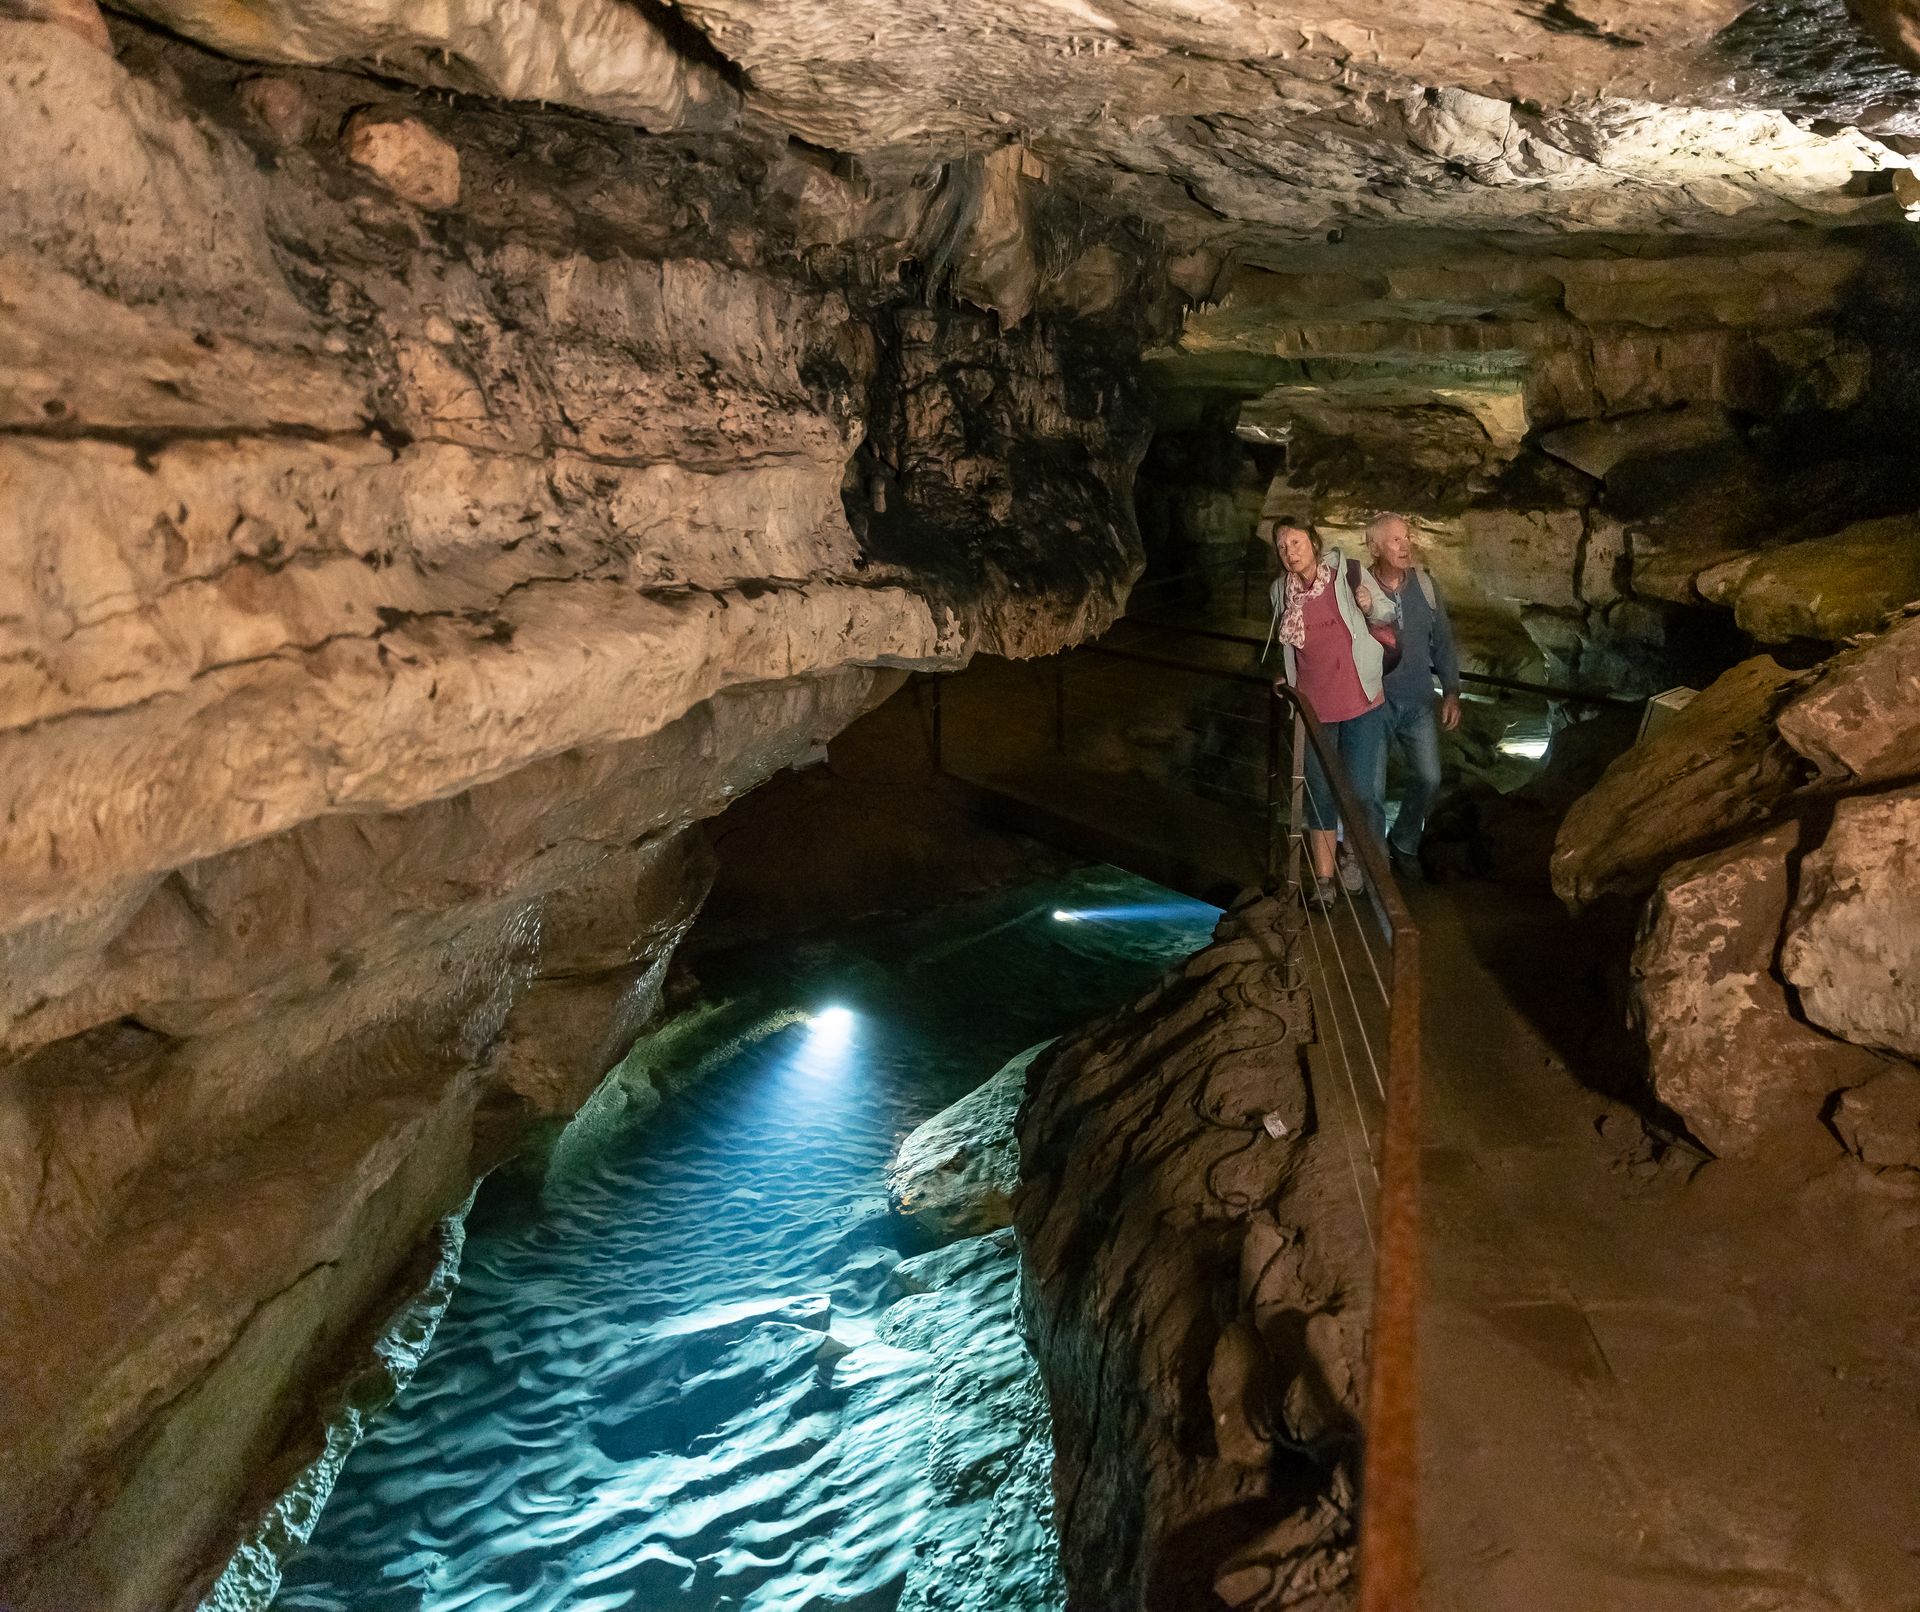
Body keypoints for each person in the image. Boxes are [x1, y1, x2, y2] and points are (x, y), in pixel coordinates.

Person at [1263, 518, 1390, 908]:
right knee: (1319, 793)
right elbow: (1290, 644)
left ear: (1314, 542)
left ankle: (1352, 854)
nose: (1290, 551)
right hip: (1314, 709)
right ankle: (1323, 880)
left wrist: (1371, 604)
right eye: (1283, 546)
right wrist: (1286, 675)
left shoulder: (1347, 575)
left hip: (1360, 703)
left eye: (1296, 541)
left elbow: (1386, 611)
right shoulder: (1279, 591)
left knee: (1360, 791)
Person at [1364, 513, 1461, 884]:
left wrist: (1451, 690)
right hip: (1374, 705)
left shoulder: (1426, 586)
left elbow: (1444, 643)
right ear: (1374, 547)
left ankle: (1404, 841)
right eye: (1395, 540)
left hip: (1419, 701)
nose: (1405, 546)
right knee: (1371, 790)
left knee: (1429, 777)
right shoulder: (1360, 591)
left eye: (1406, 538)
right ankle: (1374, 860)